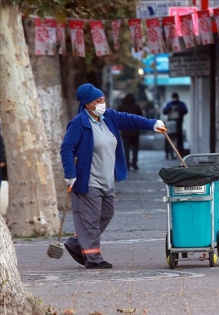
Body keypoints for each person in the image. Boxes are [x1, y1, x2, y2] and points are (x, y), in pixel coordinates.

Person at [60, 83, 167, 269]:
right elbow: (66, 148)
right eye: (98, 100)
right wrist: (69, 173)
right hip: (88, 180)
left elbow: (130, 119)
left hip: (107, 179)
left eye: (103, 99)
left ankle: (77, 242)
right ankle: (93, 258)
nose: (103, 103)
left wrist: (152, 124)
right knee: (92, 218)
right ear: (87, 104)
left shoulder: (109, 117)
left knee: (107, 213)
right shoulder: (79, 123)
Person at [117, 93, 144, 171]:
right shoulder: (136, 107)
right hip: (135, 131)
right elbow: (141, 117)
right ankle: (134, 164)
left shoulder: (121, 107)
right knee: (135, 148)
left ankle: (127, 164)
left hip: (125, 132)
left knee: (126, 148)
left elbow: (118, 119)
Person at [162, 92, 188, 159]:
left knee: (178, 139)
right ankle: (168, 153)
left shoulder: (180, 104)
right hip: (171, 122)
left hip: (178, 122)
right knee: (170, 139)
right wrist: (169, 109)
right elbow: (164, 111)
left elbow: (185, 111)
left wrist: (179, 110)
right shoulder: (169, 104)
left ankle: (180, 153)